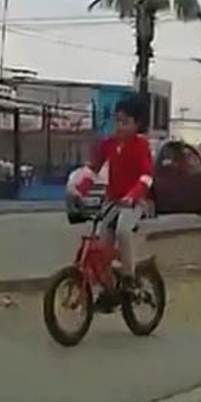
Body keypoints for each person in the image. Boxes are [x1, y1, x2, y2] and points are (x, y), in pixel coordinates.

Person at [71, 95, 155, 301]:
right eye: (117, 121)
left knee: (123, 231)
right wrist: (79, 191)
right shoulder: (108, 145)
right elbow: (93, 169)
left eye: (125, 122)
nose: (119, 127)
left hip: (135, 203)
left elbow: (146, 176)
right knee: (103, 243)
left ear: (138, 124)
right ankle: (109, 289)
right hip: (112, 201)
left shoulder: (141, 146)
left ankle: (129, 278)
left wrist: (132, 196)